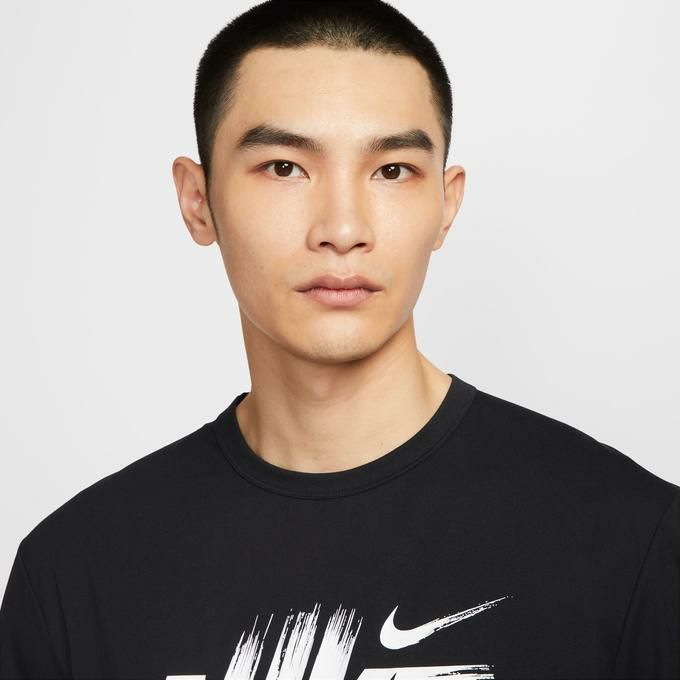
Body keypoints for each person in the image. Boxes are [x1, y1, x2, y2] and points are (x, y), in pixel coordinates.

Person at [1, 1, 678, 678]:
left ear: (446, 206)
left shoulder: (634, 542)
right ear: (197, 201)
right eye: (284, 167)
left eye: (392, 171)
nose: (343, 228)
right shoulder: (74, 572)